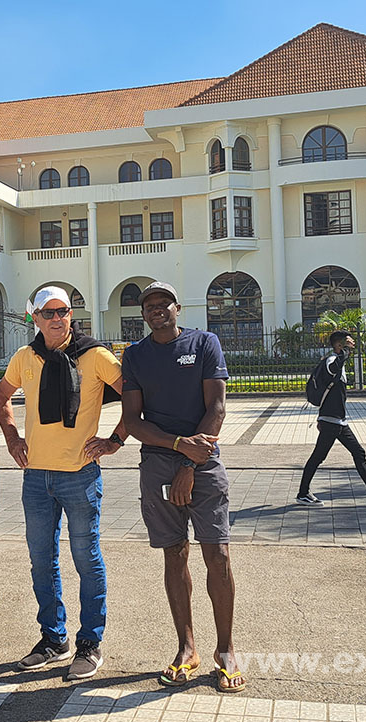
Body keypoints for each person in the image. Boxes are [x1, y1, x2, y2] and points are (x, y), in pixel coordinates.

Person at [0, 286, 127, 681]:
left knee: (86, 560)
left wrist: (114, 440)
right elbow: (1, 398)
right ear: (34, 318)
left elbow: (136, 397)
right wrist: (13, 438)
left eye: (63, 311)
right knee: (41, 562)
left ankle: (89, 642)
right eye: (48, 313)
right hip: (36, 478)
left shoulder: (95, 355)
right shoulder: (25, 357)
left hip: (80, 475)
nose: (56, 319)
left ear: (71, 315)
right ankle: (54, 640)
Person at [120, 281, 244, 693]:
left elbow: (218, 407)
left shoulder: (204, 343)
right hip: (158, 464)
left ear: (177, 307)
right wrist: (176, 446)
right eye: (148, 306)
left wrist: (190, 462)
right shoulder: (135, 356)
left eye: (163, 304)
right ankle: (187, 648)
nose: (156, 310)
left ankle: (225, 650)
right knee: (174, 555)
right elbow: (134, 421)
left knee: (218, 554)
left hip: (203, 461)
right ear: (144, 314)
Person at [296, 331, 366, 506]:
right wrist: (344, 351)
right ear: (338, 345)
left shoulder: (338, 361)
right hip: (331, 420)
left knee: (357, 452)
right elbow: (334, 368)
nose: (351, 346)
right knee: (318, 457)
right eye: (346, 343)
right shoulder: (331, 361)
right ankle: (303, 493)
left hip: (337, 420)